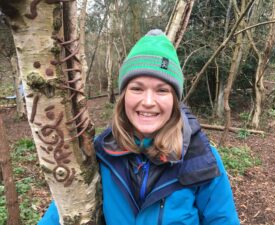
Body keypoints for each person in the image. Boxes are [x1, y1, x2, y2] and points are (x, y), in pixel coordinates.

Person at [38, 29, 240, 225]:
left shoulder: (200, 159)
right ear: (124, 96)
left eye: (162, 90)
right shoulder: (100, 153)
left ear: (175, 100)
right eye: (137, 88)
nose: (148, 101)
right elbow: (65, 209)